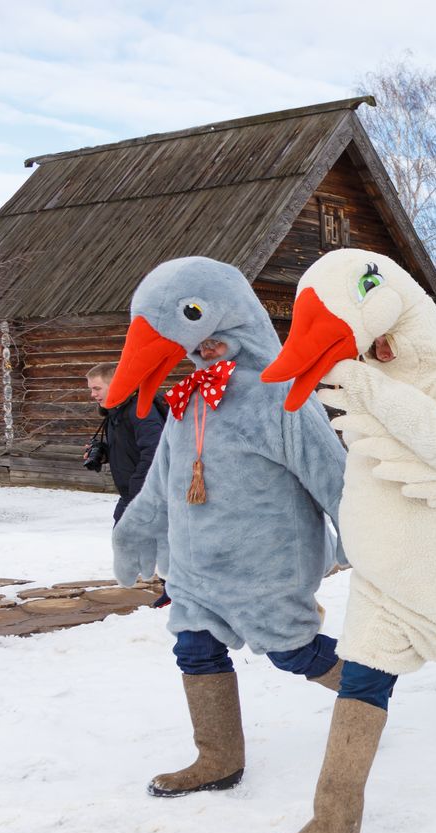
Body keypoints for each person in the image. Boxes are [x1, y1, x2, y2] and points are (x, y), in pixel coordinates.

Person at [257, 249, 436, 833]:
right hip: (382, 573)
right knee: (360, 682)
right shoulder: (373, 375)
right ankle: (333, 821)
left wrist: (361, 383)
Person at [103, 257, 349, 800]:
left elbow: (332, 472)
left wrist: (358, 534)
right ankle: (216, 759)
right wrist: (136, 528)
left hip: (266, 567)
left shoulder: (278, 395)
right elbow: (163, 478)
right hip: (194, 570)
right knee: (193, 650)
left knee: (295, 654)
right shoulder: (188, 397)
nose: (204, 351)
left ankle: (370, 688)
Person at [86, 362, 165, 523]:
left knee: (134, 545)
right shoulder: (115, 412)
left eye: (97, 388)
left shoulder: (141, 410)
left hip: (148, 498)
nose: (92, 394)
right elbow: (131, 448)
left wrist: (137, 492)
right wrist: (105, 454)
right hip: (132, 495)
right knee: (124, 544)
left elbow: (155, 452)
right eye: (91, 389)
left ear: (115, 385)